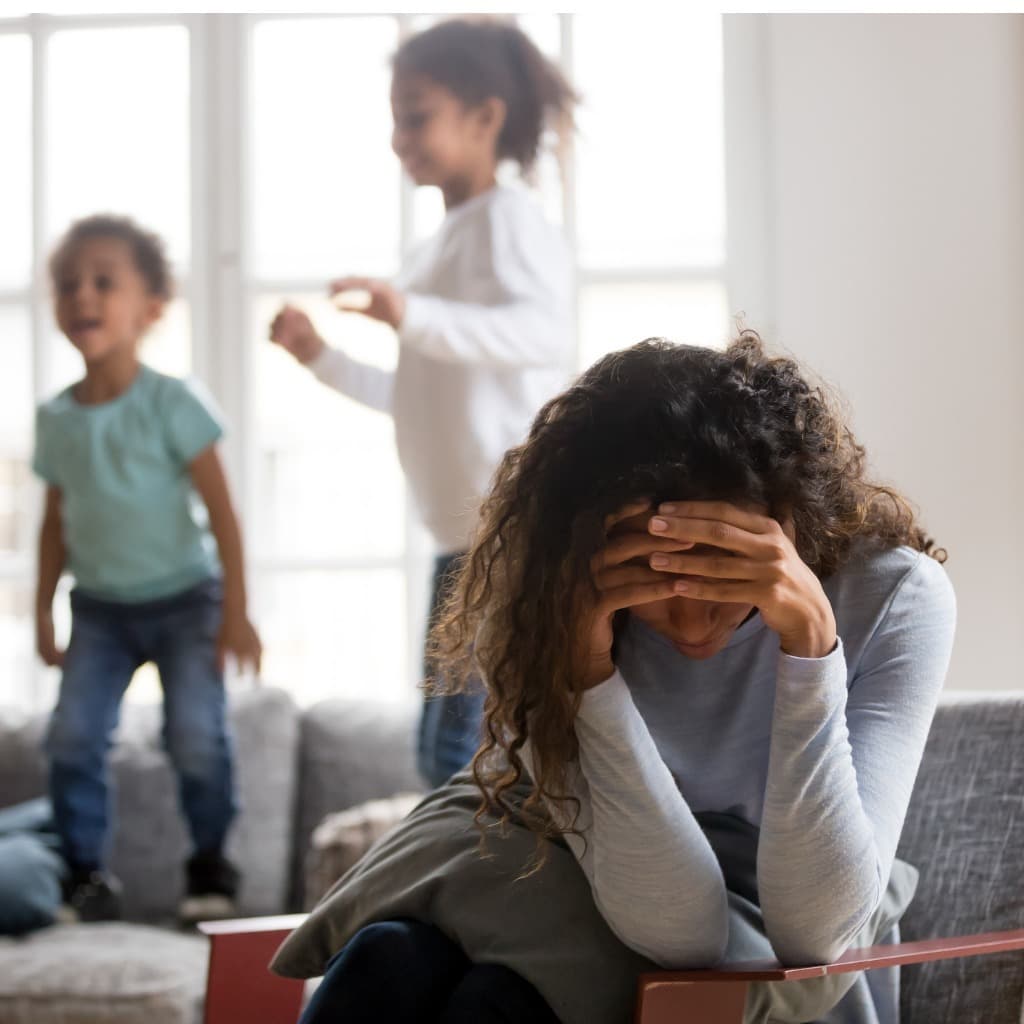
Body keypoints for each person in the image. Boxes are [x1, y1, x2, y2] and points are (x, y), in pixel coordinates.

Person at [271, 333, 956, 1024]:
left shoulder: (893, 597)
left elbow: (814, 933)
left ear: (786, 522)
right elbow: (675, 920)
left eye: (721, 571)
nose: (690, 623)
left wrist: (810, 648)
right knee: (387, 960)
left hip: (758, 910)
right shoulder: (546, 602)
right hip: (581, 860)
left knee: (500, 1002)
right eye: (650, 580)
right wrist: (585, 675)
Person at [269, 17, 576, 789]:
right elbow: (410, 397)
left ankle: (456, 891)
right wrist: (320, 357)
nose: (399, 138)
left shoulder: (506, 220)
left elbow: (541, 332)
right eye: (396, 119)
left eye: (416, 116)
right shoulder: (434, 248)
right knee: (443, 744)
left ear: (484, 118)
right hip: (458, 533)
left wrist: (409, 314)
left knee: (456, 748)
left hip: (509, 525)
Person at [32, 214, 262, 924]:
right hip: (99, 609)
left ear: (150, 309)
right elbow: (53, 525)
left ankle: (210, 866)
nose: (82, 297)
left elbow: (223, 511)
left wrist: (236, 610)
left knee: (195, 734)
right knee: (71, 737)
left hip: (188, 601)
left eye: (104, 282)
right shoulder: (57, 420)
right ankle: (84, 877)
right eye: (69, 284)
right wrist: (42, 610)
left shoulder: (173, 401)